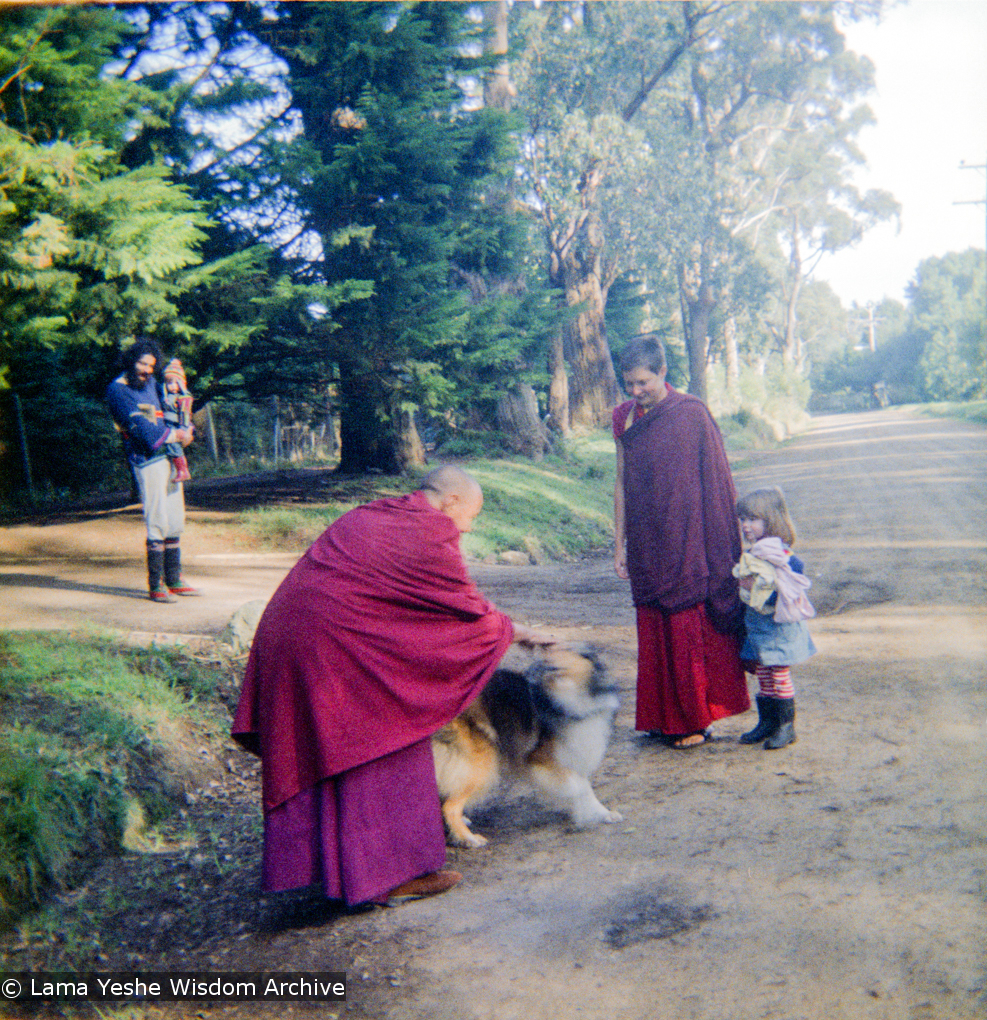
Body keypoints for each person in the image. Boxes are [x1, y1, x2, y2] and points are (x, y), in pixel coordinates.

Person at [231, 465, 552, 908]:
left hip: (290, 634)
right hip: (329, 646)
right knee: (385, 734)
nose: (469, 527)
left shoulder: (376, 513)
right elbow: (461, 608)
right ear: (451, 501)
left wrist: (508, 628)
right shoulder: (430, 529)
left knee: (333, 744)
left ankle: (329, 871)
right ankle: (385, 877)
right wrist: (512, 631)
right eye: (471, 516)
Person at [613, 334, 749, 748]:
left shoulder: (691, 413)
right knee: (652, 621)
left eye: (643, 383)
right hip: (646, 535)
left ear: (663, 372)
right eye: (629, 384)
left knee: (686, 621)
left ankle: (694, 719)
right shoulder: (623, 417)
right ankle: (660, 717)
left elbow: (716, 480)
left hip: (687, 532)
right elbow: (621, 481)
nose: (636, 392)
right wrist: (619, 544)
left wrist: (722, 537)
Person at [105, 339, 199, 603]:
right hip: (146, 459)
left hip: (168, 457)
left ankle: (174, 579)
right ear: (130, 361)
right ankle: (155, 585)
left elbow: (171, 408)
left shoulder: (150, 385)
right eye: (141, 363)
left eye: (151, 365)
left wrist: (187, 427)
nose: (146, 369)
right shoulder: (118, 390)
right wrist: (177, 434)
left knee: (175, 518)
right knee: (157, 519)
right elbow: (144, 434)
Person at [733, 486, 816, 749]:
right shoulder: (755, 553)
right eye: (743, 519)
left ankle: (785, 726)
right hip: (759, 625)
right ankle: (767, 722)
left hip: (778, 625)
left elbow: (792, 580)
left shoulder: (780, 554)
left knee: (779, 673)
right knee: (764, 671)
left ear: (771, 520)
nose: (745, 526)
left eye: (752, 519)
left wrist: (760, 590)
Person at [161, 358, 194, 483]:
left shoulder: (183, 397)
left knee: (175, 446)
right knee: (169, 447)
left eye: (176, 383)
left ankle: (183, 470)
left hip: (177, 426)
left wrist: (184, 428)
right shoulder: (166, 397)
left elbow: (185, 414)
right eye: (169, 383)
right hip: (167, 425)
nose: (172, 386)